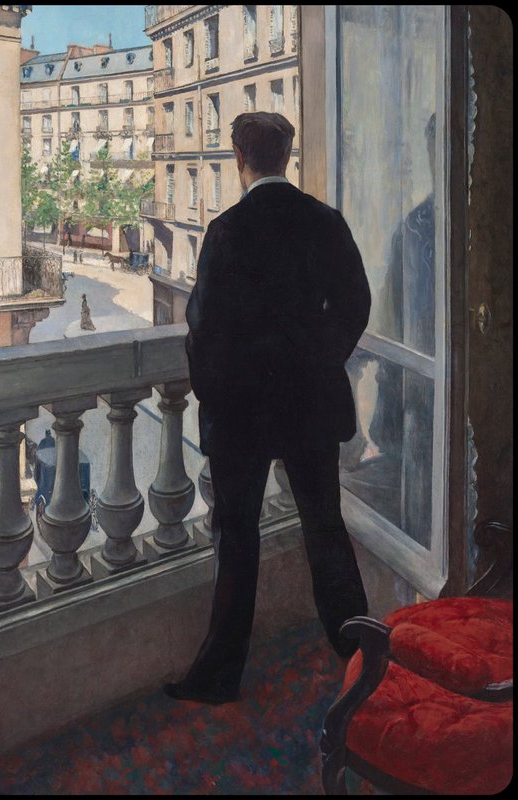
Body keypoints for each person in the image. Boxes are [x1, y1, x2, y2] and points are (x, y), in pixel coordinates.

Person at [167, 112, 371, 705]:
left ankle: (219, 676)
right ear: (287, 155)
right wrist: (320, 358)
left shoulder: (228, 231)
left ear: (239, 158)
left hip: (244, 414)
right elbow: (355, 303)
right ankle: (359, 655)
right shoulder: (324, 221)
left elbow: (204, 329)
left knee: (238, 540)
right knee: (325, 530)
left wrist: (219, 392)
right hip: (310, 405)